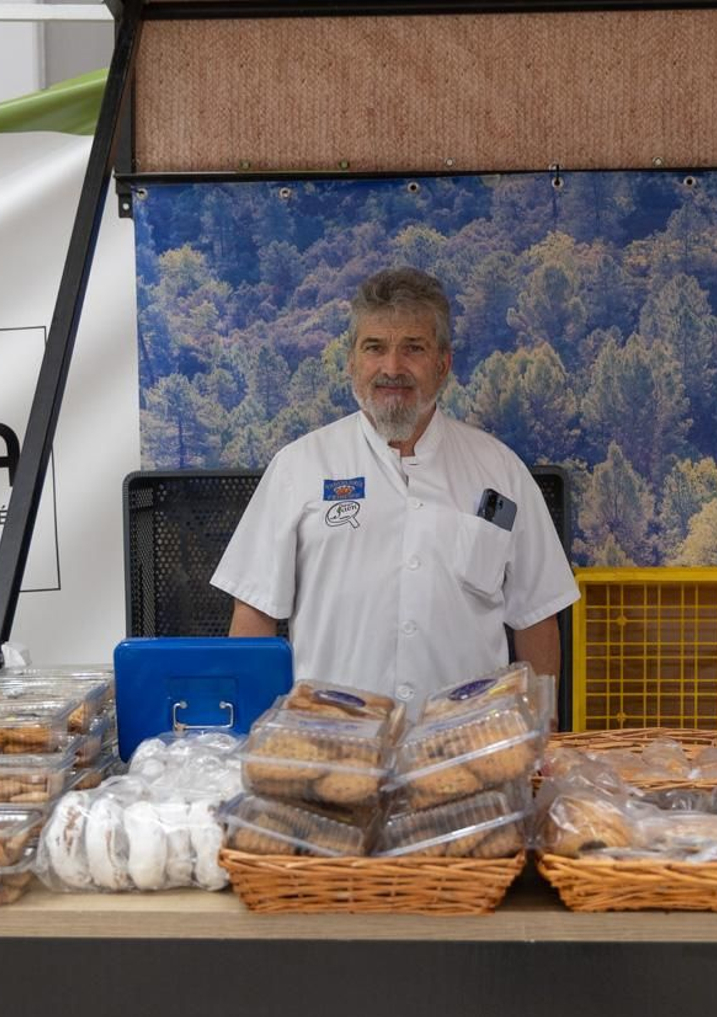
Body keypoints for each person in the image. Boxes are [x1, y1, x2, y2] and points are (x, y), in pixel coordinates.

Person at [210, 266, 579, 712]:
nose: (392, 368)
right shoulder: (299, 467)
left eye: (413, 349)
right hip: (333, 747)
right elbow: (254, 613)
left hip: (468, 750)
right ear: (351, 361)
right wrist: (251, 745)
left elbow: (536, 617)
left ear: (443, 364)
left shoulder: (501, 472)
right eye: (375, 348)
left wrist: (542, 738)